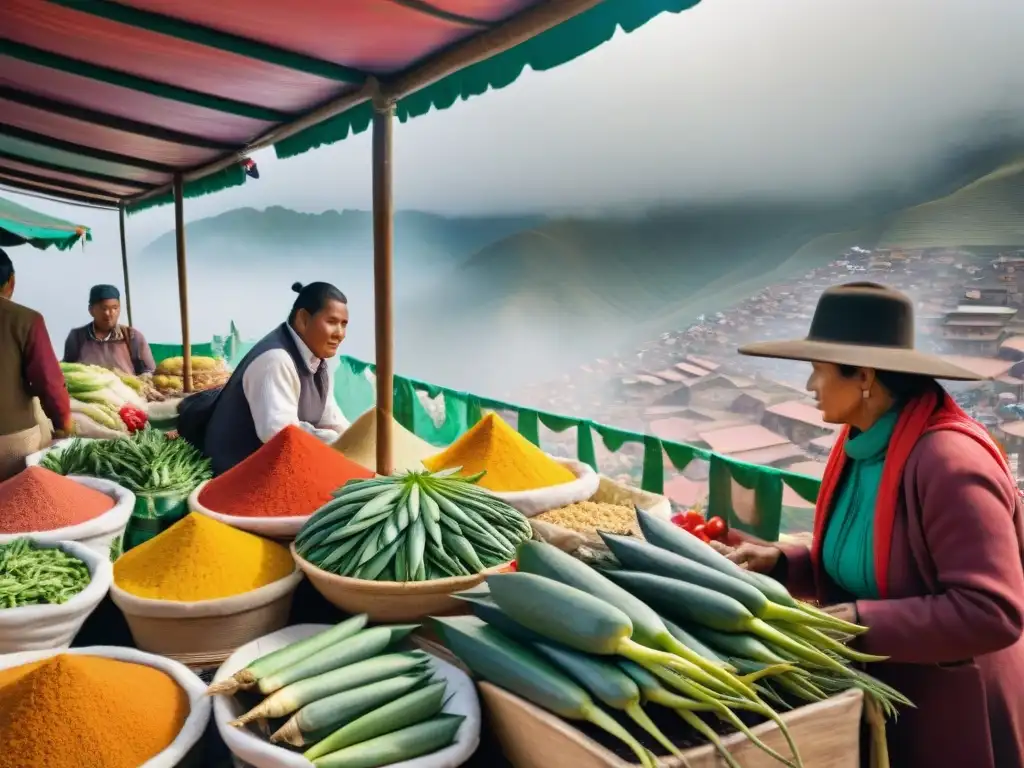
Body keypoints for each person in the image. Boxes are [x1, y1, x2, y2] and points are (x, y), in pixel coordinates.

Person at [723, 282, 1024, 768]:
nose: (810, 387)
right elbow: (861, 555)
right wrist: (784, 562)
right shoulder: (860, 447)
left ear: (862, 375)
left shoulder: (948, 462)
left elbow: (993, 611)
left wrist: (858, 622)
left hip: (951, 711)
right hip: (887, 688)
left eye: (818, 371)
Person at [201, 282, 351, 475]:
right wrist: (336, 442)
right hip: (237, 474)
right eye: (332, 322)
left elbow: (329, 417)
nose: (340, 334)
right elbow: (279, 433)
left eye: (344, 324)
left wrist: (356, 441)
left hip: (276, 467)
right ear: (304, 319)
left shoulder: (319, 363)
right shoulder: (275, 360)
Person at [0, 248, 73, 480]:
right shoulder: (26, 319)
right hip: (10, 442)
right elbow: (48, 381)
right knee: (15, 505)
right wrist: (63, 426)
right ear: (11, 281)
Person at [63, 284, 155, 376]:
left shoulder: (132, 336)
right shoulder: (76, 337)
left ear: (119, 309)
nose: (109, 314)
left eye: (114, 308)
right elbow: (66, 371)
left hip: (127, 389)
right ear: (91, 310)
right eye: (104, 308)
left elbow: (149, 371)